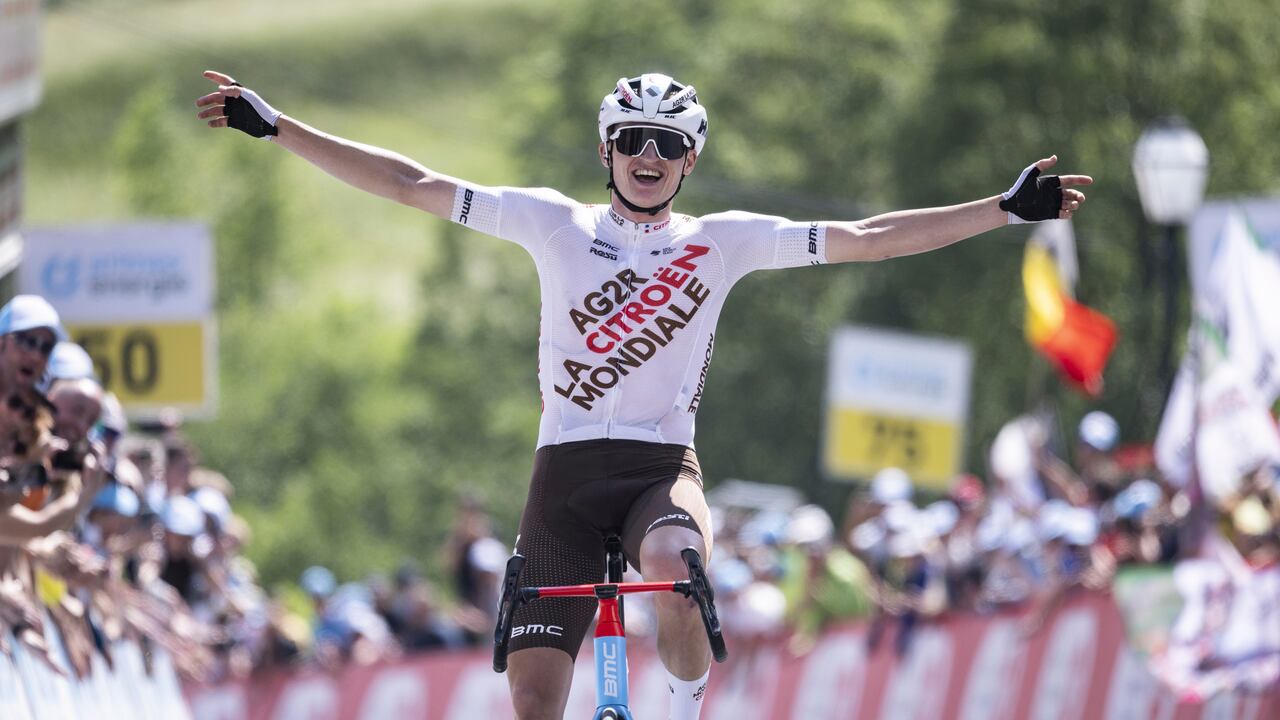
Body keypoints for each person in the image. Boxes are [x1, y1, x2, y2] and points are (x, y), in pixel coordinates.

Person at [196, 69, 1091, 720]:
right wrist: (281, 128)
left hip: (662, 468)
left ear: (691, 158)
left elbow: (866, 238)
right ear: (607, 150)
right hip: (564, 478)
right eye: (634, 141)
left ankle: (683, 709)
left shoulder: (725, 241)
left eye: (669, 144)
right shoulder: (553, 222)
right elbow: (409, 183)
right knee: (536, 703)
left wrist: (1000, 210)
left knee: (678, 568)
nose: (650, 157)